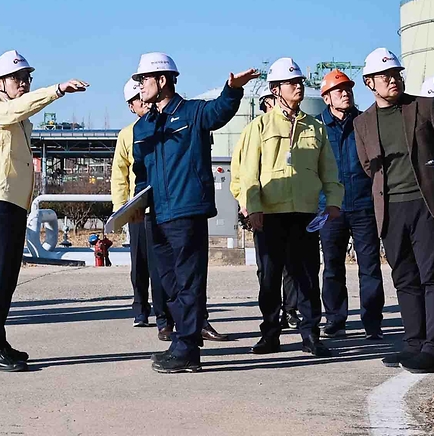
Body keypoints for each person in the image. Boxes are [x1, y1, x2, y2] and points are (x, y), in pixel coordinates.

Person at [132, 52, 256, 373]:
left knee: (189, 282)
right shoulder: (142, 127)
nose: (139, 85)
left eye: (143, 79)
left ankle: (187, 348)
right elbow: (140, 172)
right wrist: (136, 205)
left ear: (162, 80)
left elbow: (220, 111)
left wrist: (233, 90)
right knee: (168, 283)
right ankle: (182, 342)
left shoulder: (193, 112)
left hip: (187, 211)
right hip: (156, 215)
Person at [353, 49, 434, 374]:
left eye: (396, 74)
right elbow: (367, 166)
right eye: (385, 76)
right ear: (370, 82)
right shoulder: (362, 122)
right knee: (404, 278)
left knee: (433, 275)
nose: (393, 79)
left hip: (426, 205)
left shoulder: (425, 106)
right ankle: (414, 343)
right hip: (390, 208)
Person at [0, 51, 87, 372]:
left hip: (13, 206)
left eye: (27, 77)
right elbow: (19, 108)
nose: (23, 82)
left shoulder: (20, 120)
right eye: (17, 78)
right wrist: (58, 89)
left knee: (7, 278)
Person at [234, 58, 343, 357]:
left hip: (305, 213)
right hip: (269, 214)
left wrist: (333, 202)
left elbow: (329, 170)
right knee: (269, 278)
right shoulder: (259, 127)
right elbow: (248, 172)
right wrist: (252, 208)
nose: (298, 86)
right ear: (275, 89)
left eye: (299, 82)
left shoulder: (315, 127)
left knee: (307, 275)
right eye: (291, 82)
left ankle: (311, 335)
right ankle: (270, 334)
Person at [317, 70, 385, 340]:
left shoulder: (365, 122)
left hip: (364, 206)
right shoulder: (317, 128)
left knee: (370, 267)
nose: (345, 94)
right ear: (326, 98)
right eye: (338, 90)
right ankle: (335, 320)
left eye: (348, 89)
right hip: (330, 208)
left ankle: (373, 323)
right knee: (332, 267)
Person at [234, 88, 300, 332]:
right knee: (268, 269)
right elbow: (240, 172)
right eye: (271, 102)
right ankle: (271, 319)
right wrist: (245, 204)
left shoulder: (297, 128)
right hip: (262, 210)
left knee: (293, 265)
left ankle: (291, 310)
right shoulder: (254, 130)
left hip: (292, 208)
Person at [111, 79, 159, 329]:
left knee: (160, 263)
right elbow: (119, 175)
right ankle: (140, 309)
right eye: (137, 100)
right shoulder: (126, 135)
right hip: (139, 209)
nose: (144, 102)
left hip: (163, 207)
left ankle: (164, 311)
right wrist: (122, 209)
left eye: (144, 97)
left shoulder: (163, 125)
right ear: (131, 106)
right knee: (139, 263)